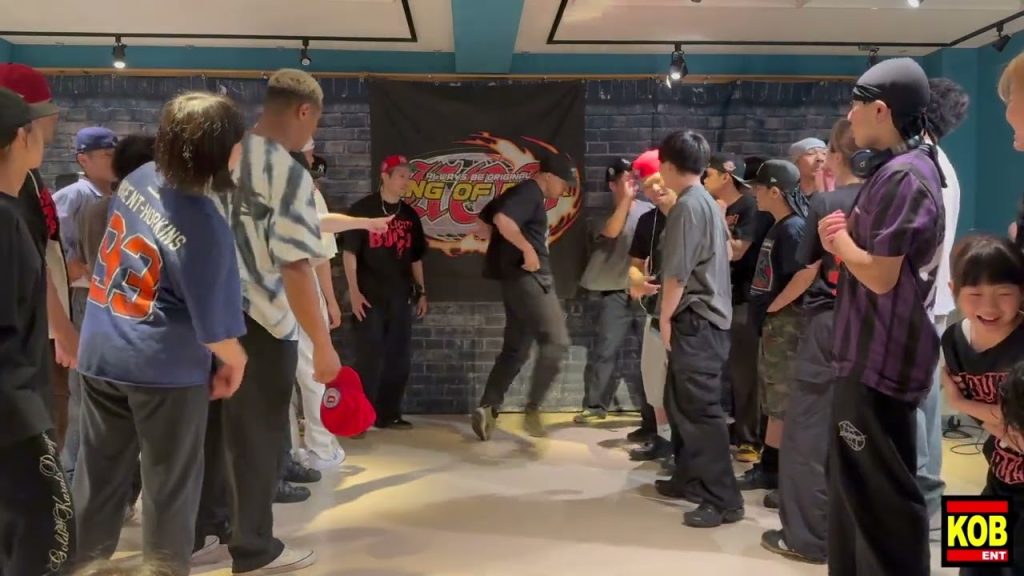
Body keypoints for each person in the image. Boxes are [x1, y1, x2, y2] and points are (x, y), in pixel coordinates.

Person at [72, 92, 248, 576]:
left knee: (97, 481)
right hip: (161, 368)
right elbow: (216, 332)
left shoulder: (139, 177)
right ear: (219, 151)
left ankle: (80, 567)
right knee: (170, 490)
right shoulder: (205, 223)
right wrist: (237, 361)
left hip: (101, 349)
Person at [203, 68, 337, 573]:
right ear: (304, 111)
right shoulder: (286, 171)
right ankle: (254, 549)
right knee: (257, 440)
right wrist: (323, 344)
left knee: (214, 436)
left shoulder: (223, 156)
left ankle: (205, 533)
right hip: (262, 322)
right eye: (315, 123)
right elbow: (296, 265)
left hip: (212, 317)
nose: (312, 133)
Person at [820, 57, 944, 576]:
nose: (849, 116)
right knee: (859, 493)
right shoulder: (905, 169)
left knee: (883, 501)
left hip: (879, 358)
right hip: (870, 353)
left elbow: (881, 276)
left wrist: (840, 241)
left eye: (856, 105)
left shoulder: (905, 176)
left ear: (881, 109)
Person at [761, 118, 862, 564]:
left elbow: (810, 263)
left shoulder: (829, 202)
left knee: (807, 433)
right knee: (871, 437)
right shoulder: (908, 191)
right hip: (890, 328)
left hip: (831, 323)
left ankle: (808, 538)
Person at [0, 86, 75, 576]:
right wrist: (29, 424)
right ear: (19, 137)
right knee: (51, 540)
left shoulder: (12, 211)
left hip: (18, 409)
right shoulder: (4, 222)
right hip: (15, 417)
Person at [656, 130, 742, 528]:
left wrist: (665, 318)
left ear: (668, 165)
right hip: (709, 319)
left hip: (696, 319)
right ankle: (689, 477)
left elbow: (677, 273)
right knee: (680, 403)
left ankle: (723, 499)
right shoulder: (706, 201)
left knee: (700, 411)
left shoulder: (688, 207)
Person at [0, 63, 78, 450]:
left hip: (36, 332)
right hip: (32, 341)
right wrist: (61, 329)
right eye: (44, 110)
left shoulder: (26, 179)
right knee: (46, 432)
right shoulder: (12, 196)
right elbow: (32, 263)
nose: (54, 118)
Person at [471, 153, 576, 441]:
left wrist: (499, 238)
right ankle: (533, 410)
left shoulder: (517, 193)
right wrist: (527, 249)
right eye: (563, 183)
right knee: (556, 342)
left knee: (516, 349)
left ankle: (488, 407)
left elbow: (486, 222)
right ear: (549, 176)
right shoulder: (529, 192)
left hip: (515, 282)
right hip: (531, 278)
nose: (563, 190)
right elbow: (502, 219)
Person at [939, 235, 1024, 576]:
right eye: (975, 295)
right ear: (953, 290)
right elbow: (1004, 425)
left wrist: (959, 401)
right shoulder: (953, 340)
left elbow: (1015, 422)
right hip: (999, 473)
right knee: (972, 563)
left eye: (1003, 294)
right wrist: (997, 424)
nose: (989, 308)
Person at [735, 159, 816, 510]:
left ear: (774, 190)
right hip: (774, 327)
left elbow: (807, 271)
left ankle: (785, 475)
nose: (753, 192)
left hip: (786, 327)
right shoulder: (779, 225)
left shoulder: (794, 227)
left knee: (785, 400)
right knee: (774, 399)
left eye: (758, 187)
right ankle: (769, 467)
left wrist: (776, 305)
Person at [916, 77, 970, 523]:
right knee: (925, 404)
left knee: (917, 405)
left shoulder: (926, 166)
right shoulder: (940, 163)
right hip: (931, 302)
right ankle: (928, 505)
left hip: (921, 302)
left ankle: (925, 506)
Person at [53, 126, 119, 483]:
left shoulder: (111, 195)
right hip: (82, 298)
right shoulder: (75, 195)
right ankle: (71, 471)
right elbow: (51, 247)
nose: (113, 160)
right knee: (83, 388)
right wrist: (72, 266)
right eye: (106, 155)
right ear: (84, 159)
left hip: (102, 299)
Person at [344, 154, 428, 430]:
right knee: (368, 358)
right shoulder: (362, 209)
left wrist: (422, 292)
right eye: (401, 176)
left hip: (400, 296)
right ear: (385, 176)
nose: (406, 181)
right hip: (369, 297)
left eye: (408, 176)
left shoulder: (410, 215)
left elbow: (416, 257)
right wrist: (353, 292)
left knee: (399, 358)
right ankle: (360, 417)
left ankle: (388, 414)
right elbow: (349, 253)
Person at [574, 157, 652, 433]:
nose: (634, 184)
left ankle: (652, 413)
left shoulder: (650, 211)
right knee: (605, 350)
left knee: (650, 355)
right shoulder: (601, 215)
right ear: (612, 184)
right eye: (627, 179)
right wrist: (626, 201)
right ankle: (595, 406)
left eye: (635, 178)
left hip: (644, 291)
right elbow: (612, 231)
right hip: (613, 291)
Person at [703, 152, 768, 463]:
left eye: (709, 174)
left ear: (725, 177)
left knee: (745, 373)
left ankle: (750, 439)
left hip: (743, 299)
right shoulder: (715, 206)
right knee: (728, 369)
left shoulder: (748, 207)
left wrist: (718, 218)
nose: (704, 179)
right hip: (720, 297)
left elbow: (737, 251)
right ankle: (735, 428)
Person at [626, 150, 677, 463]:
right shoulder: (649, 220)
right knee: (653, 378)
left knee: (684, 385)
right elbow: (634, 265)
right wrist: (636, 281)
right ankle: (663, 438)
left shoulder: (694, 213)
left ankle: (683, 446)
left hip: (688, 314)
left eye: (658, 181)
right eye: (647, 186)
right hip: (656, 310)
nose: (655, 190)